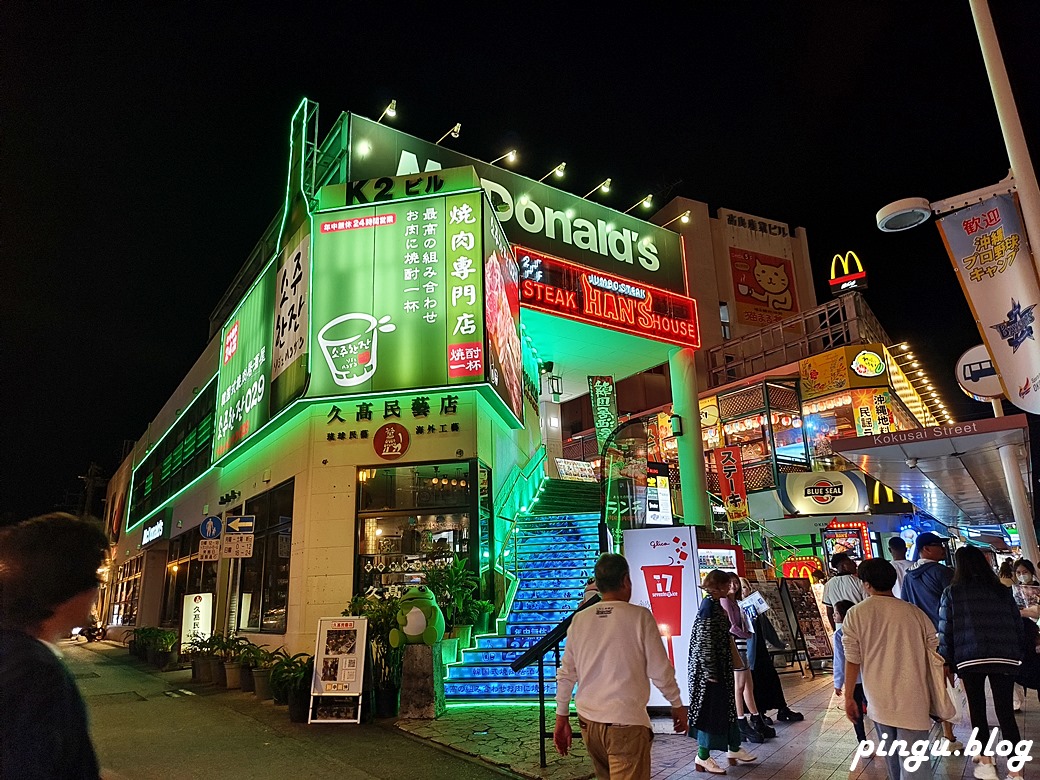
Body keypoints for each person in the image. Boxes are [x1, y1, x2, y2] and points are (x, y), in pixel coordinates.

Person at [554, 553, 688, 779]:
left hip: (589, 724)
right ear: (626, 580)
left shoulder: (580, 620)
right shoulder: (640, 617)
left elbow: (567, 673)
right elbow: (659, 670)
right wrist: (676, 703)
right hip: (626, 724)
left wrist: (562, 716)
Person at [1, 513, 110, 780]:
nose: (98, 589)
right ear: (67, 586)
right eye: (95, 579)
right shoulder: (38, 675)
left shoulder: (13, 652)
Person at [841, 559, 940, 780]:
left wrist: (849, 696)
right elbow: (933, 647)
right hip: (914, 696)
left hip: (878, 698)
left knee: (892, 759)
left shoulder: (856, 614)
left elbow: (852, 659)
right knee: (916, 763)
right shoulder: (914, 612)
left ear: (866, 584)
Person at [938, 545, 1024, 780]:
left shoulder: (952, 592)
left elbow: (946, 630)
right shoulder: (1001, 590)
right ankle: (1016, 770)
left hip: (969, 658)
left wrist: (947, 660)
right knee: (1005, 712)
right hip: (1004, 656)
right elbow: (1017, 625)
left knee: (977, 711)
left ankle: (986, 761)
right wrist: (1018, 655)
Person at [687, 569, 758, 774]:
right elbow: (706, 641)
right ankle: (703, 756)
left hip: (718, 668)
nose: (730, 587)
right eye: (727, 584)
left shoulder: (714, 605)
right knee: (711, 713)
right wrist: (710, 672)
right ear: (718, 586)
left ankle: (733, 748)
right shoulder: (709, 608)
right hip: (711, 673)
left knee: (725, 710)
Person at [899, 531, 960, 749]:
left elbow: (905, 605)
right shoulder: (941, 572)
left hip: (921, 638)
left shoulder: (908, 576)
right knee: (945, 683)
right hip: (943, 636)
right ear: (926, 549)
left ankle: (933, 721)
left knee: (928, 681)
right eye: (938, 545)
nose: (942, 549)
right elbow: (955, 603)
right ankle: (949, 734)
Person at [739, 577, 803, 723]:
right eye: (740, 588)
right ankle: (759, 713)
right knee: (756, 683)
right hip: (749, 655)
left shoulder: (755, 607)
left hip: (761, 652)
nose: (743, 591)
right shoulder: (737, 609)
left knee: (771, 679)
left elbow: (767, 628)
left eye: (745, 587)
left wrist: (779, 644)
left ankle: (782, 709)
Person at [722, 573, 773, 742]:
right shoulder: (725, 602)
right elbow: (732, 627)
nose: (734, 586)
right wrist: (746, 633)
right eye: (731, 583)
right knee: (739, 686)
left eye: (736, 583)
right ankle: (741, 721)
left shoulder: (736, 603)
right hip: (736, 647)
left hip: (742, 646)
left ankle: (756, 717)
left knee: (748, 686)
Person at [832, 599, 867, 743]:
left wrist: (838, 682)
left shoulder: (840, 634)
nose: (834, 616)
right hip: (869, 677)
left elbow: (840, 661)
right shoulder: (864, 630)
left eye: (835, 613)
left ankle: (863, 742)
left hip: (855, 680)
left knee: (856, 712)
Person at [822, 553, 867, 629]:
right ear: (843, 566)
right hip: (860, 626)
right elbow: (867, 605)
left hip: (840, 629)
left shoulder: (828, 585)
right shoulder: (859, 582)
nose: (854, 564)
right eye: (850, 561)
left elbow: (830, 612)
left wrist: (835, 630)